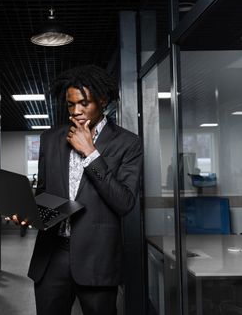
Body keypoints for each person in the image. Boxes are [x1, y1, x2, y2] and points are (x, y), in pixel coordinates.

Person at [21, 65, 143, 315]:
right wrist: (26, 214)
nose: (76, 111)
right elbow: (43, 194)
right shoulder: (50, 139)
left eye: (84, 103)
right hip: (51, 257)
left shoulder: (128, 143)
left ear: (103, 100)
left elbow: (124, 202)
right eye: (70, 104)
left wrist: (90, 153)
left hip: (97, 260)